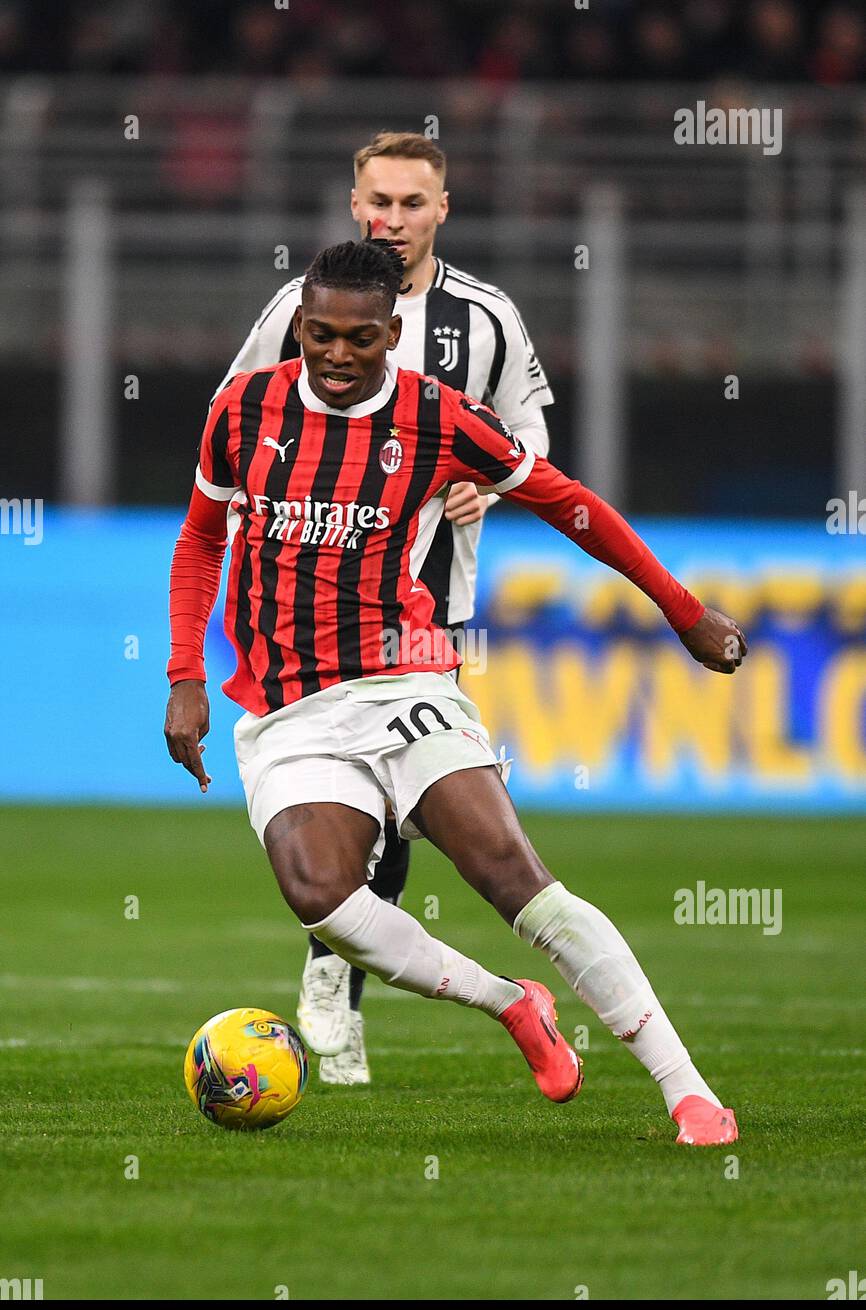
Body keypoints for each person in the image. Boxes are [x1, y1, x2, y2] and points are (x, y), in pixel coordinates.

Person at [166, 237, 746, 1145]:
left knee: (514, 877)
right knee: (321, 894)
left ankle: (689, 1093)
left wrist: (682, 610)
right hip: (286, 711)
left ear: (391, 331)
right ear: (300, 327)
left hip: (404, 680)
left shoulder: (439, 418)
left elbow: (571, 506)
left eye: (359, 338)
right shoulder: (245, 410)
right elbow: (201, 542)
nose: (337, 355)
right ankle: (513, 1005)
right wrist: (184, 676)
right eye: (319, 335)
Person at [217, 130, 554, 1083]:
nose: (392, 220)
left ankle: (335, 962)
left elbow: (527, 435)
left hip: (430, 590)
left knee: (414, 803)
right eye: (377, 202)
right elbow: (236, 407)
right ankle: (338, 973)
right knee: (354, 796)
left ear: (442, 209)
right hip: (315, 587)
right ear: (353, 203)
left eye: (411, 203)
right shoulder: (302, 306)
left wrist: (485, 483)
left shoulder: (487, 319)